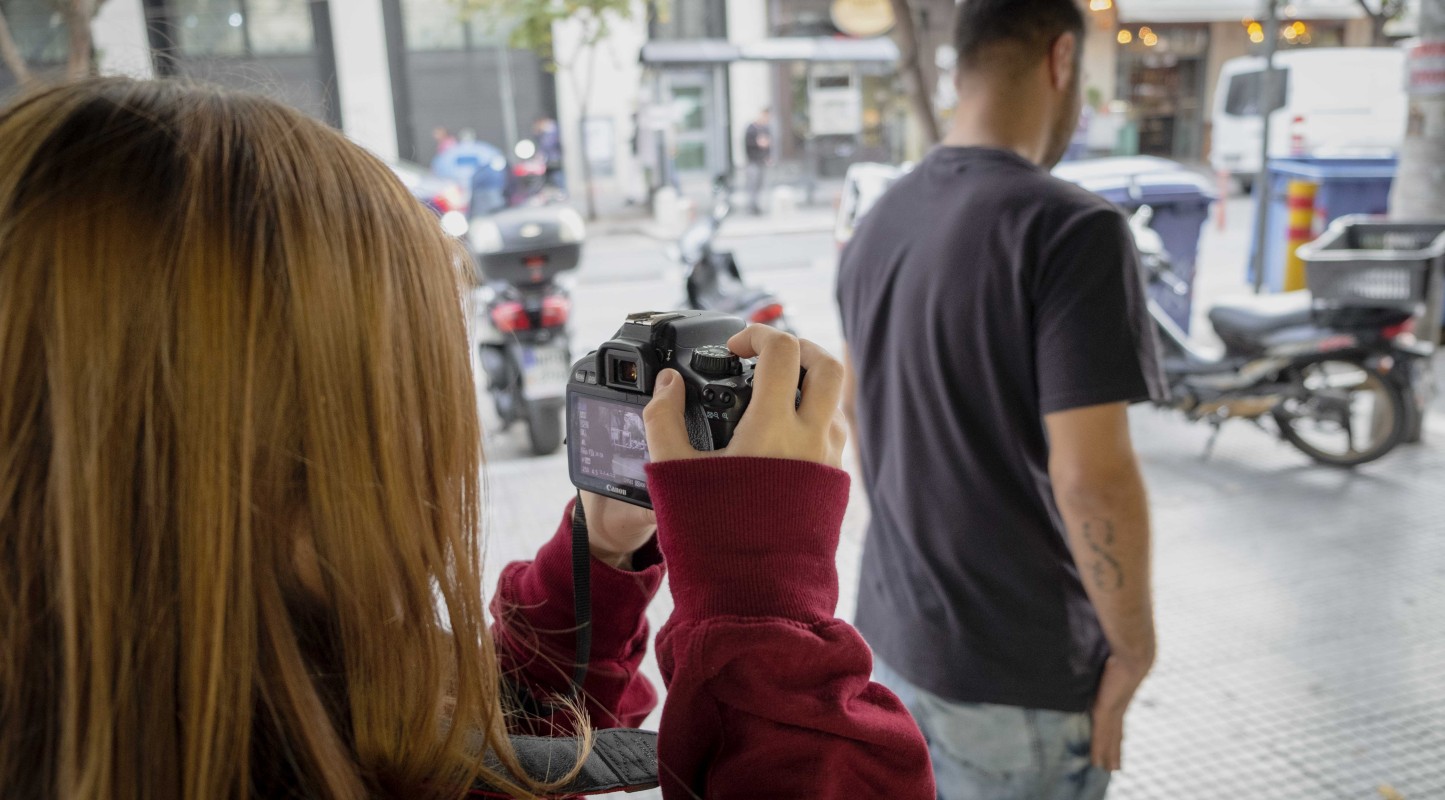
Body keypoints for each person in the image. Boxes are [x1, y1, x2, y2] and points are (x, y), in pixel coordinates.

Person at [0, 78, 933, 799]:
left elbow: (480, 744)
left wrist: (601, 557)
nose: (438, 449)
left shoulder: (215, 711)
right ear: (251, 454)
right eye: (400, 381)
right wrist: (764, 604)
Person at [836, 1, 1165, 798]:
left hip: (893, 645)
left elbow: (853, 412)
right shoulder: (1070, 230)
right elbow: (1091, 477)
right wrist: (1132, 649)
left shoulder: (880, 219)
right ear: (1060, 60)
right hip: (1019, 675)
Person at [743, 107, 772, 215]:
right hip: (752, 161)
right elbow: (748, 144)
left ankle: (756, 206)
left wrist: (768, 156)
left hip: (761, 161)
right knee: (752, 184)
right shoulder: (751, 129)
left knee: (760, 184)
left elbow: (768, 145)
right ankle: (751, 206)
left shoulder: (765, 129)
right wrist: (758, 143)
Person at [534, 117, 564, 191]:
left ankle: (563, 190)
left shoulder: (551, 131)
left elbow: (548, 145)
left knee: (557, 175)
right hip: (550, 159)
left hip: (554, 159)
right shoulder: (547, 133)